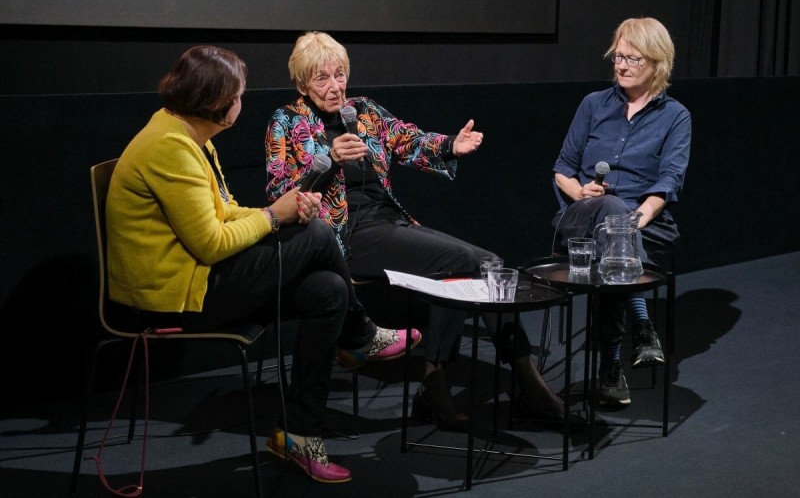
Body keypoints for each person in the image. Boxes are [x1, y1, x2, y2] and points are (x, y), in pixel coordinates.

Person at [105, 45, 420, 484]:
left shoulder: (186, 135)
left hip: (197, 276)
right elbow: (213, 243)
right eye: (237, 95)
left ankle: (298, 433)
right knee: (316, 232)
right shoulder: (170, 147)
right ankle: (361, 334)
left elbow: (224, 210)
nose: (241, 102)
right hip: (175, 297)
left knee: (328, 290)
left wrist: (279, 210)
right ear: (216, 104)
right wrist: (275, 215)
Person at [265, 31, 565, 431]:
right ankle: (464, 387)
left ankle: (482, 381)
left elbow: (407, 139)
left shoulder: (364, 111)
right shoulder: (286, 121)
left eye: (340, 75)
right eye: (322, 79)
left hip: (387, 222)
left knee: (486, 263)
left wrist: (449, 146)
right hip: (341, 236)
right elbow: (280, 192)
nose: (335, 87)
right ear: (302, 84)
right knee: (469, 262)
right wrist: (328, 159)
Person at [551, 17, 691, 406]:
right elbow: (561, 167)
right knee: (610, 213)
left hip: (646, 223)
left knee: (612, 240)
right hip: (581, 217)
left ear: (657, 63)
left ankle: (610, 367)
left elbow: (669, 181)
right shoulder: (593, 105)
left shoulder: (676, 116)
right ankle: (643, 327)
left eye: (633, 59)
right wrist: (579, 191)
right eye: (618, 57)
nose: (622, 65)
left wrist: (634, 222)